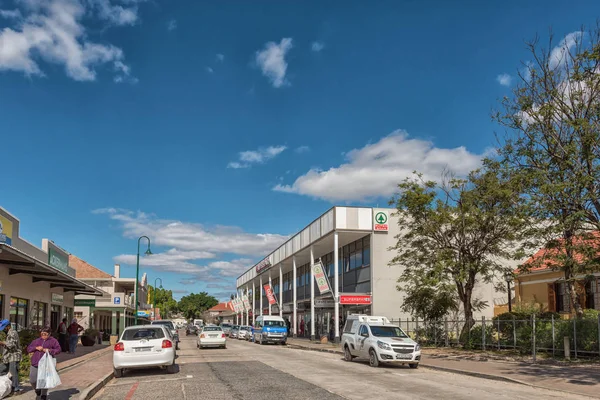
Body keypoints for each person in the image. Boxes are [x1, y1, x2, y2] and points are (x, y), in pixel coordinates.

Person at [27, 327, 61, 400]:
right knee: (32, 379)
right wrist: (36, 348)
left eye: (45, 334)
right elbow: (29, 349)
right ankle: (37, 390)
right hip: (35, 363)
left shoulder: (53, 341)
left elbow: (58, 350)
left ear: (49, 334)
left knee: (45, 379)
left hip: (46, 363)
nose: (43, 336)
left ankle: (44, 395)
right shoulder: (36, 341)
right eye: (42, 334)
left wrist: (49, 350)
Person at [0, 319, 23, 395]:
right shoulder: (9, 333)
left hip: (14, 356)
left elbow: (12, 345)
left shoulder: (13, 333)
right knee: (2, 369)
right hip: (8, 356)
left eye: (4, 328)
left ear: (8, 326)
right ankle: (9, 385)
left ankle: (16, 389)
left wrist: (2, 342)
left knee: (13, 372)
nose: (3, 330)